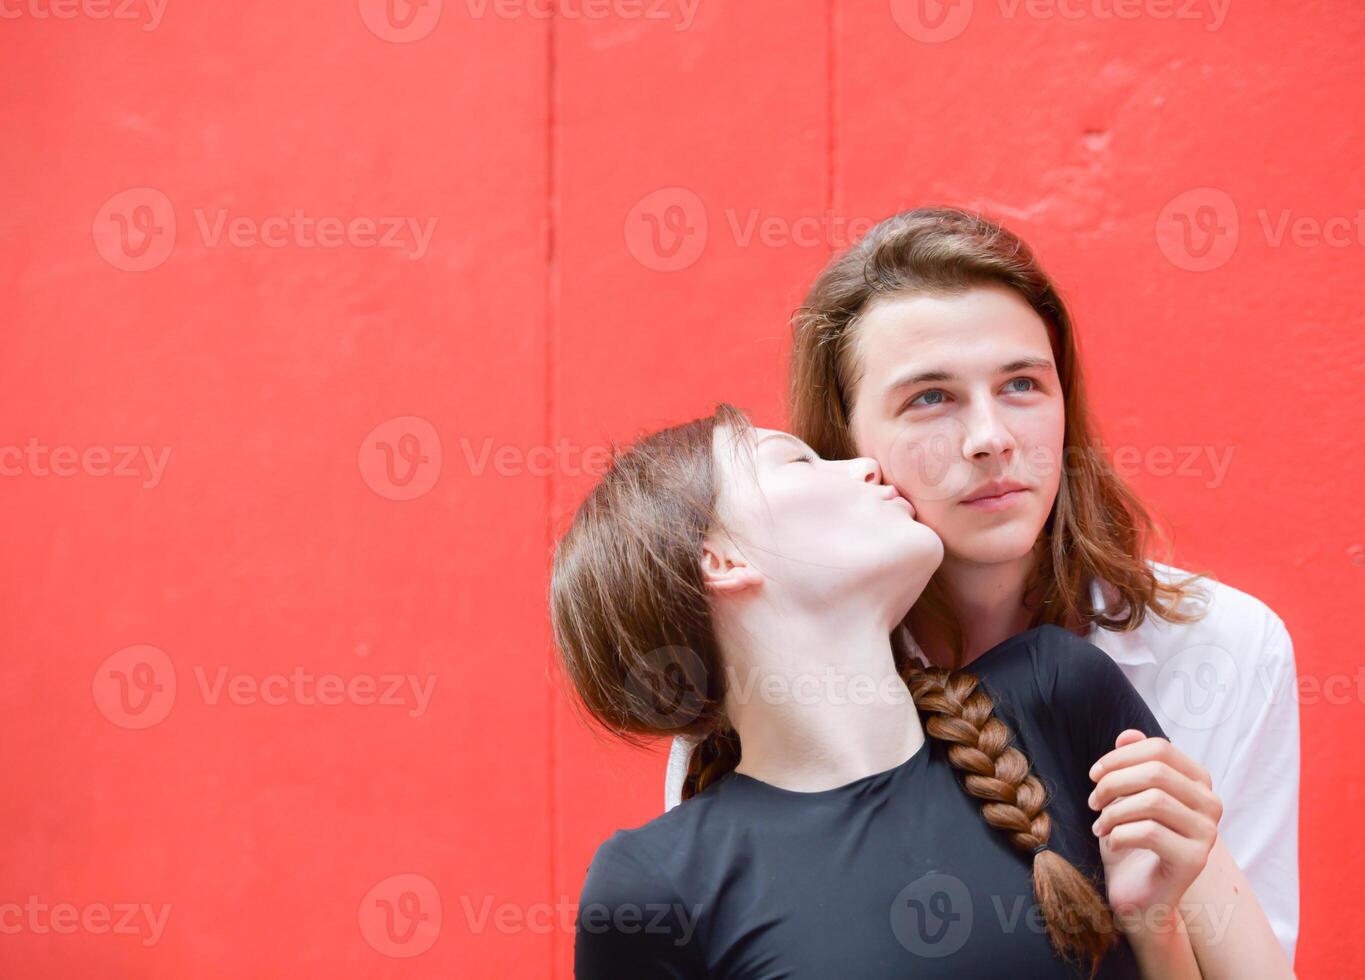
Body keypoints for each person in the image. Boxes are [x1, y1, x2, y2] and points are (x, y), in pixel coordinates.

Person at [664, 208, 1300, 963]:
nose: (991, 438)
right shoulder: (766, 689)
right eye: (930, 398)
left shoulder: (1219, 646)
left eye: (1024, 384)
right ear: (848, 447)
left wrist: (1159, 916)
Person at [552, 405, 1293, 978]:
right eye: (800, 462)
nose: (865, 468)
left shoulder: (1060, 690)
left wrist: (1154, 925)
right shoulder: (653, 886)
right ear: (720, 559)